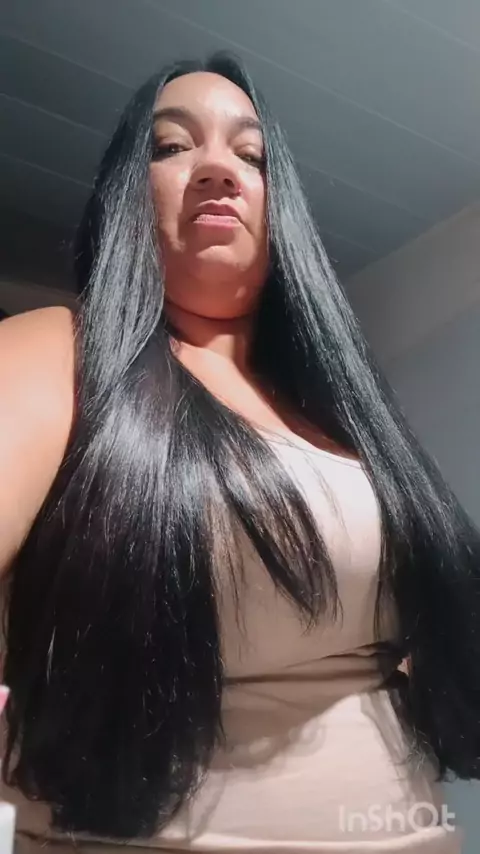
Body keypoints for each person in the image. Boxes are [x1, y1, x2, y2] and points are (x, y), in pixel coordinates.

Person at [0, 52, 476, 854]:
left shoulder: (346, 414)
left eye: (250, 154)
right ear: (126, 195)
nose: (219, 168)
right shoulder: (60, 352)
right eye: (171, 145)